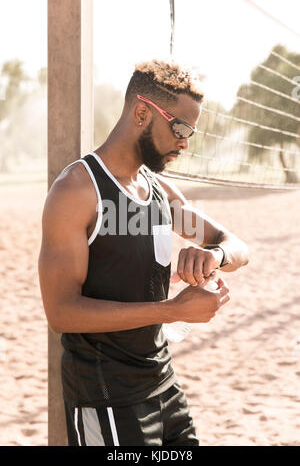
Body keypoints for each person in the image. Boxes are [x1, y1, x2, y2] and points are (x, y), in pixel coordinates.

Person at [38, 59, 249, 446]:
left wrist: (213, 256)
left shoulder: (159, 192)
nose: (186, 142)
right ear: (141, 112)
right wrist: (172, 310)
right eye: (181, 128)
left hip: (164, 386)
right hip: (107, 398)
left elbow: (238, 246)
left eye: (191, 132)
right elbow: (61, 312)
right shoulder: (77, 191)